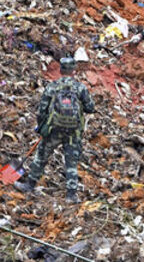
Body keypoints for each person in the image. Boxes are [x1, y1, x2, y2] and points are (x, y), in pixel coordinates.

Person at [14, 58, 95, 204]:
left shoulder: (52, 87)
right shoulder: (80, 88)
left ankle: (30, 185)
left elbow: (42, 110)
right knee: (71, 162)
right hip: (73, 132)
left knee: (41, 156)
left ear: (60, 70)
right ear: (74, 71)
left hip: (53, 130)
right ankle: (71, 195)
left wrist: (42, 127)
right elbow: (90, 108)